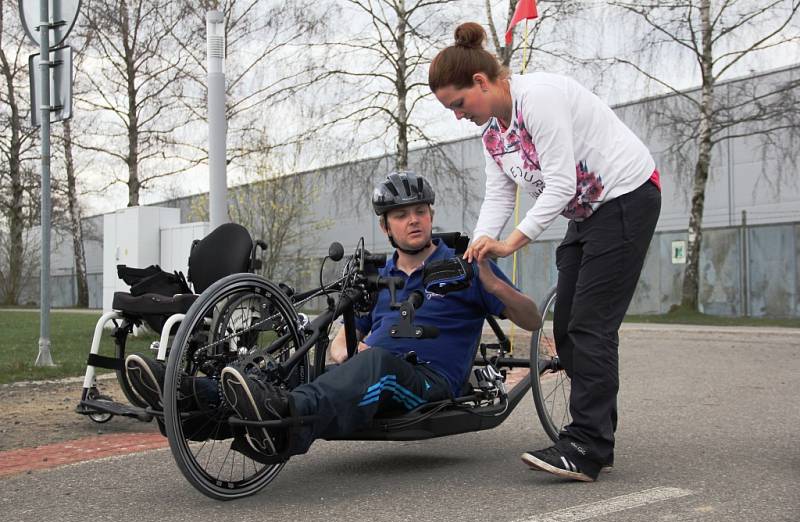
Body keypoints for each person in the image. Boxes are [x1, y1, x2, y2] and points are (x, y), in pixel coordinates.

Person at [125, 171, 540, 459]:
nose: (413, 220)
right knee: (297, 366)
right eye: (401, 214)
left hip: (428, 384)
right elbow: (346, 328)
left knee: (377, 365)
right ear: (386, 227)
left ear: (431, 214)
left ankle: (283, 420)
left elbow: (532, 319)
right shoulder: (376, 274)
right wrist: (343, 344)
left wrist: (495, 283)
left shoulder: (466, 265)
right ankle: (189, 396)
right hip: (371, 371)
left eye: (420, 211)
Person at [428, 22, 662, 482]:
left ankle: (586, 447)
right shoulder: (493, 133)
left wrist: (512, 241)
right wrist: (480, 244)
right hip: (585, 214)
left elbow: (561, 183)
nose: (458, 115)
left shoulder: (540, 97)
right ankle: (598, 437)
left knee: (591, 327)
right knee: (567, 330)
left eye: (458, 104)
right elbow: (499, 195)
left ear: (481, 82)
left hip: (626, 197)